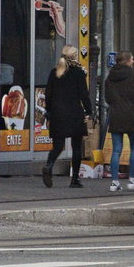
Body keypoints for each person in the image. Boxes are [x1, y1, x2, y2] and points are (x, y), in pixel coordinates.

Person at [42, 44, 93, 189]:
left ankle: (49, 165)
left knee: (58, 146)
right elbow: (84, 94)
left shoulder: (55, 72)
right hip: (75, 113)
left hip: (58, 114)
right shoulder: (79, 72)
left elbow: (48, 94)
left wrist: (49, 111)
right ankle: (75, 179)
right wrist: (89, 112)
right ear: (74, 56)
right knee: (76, 146)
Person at [104, 51, 134, 192]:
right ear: (127, 61)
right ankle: (132, 179)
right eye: (132, 59)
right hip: (133, 114)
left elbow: (107, 98)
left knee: (116, 150)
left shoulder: (110, 78)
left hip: (116, 115)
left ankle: (114, 182)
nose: (133, 61)